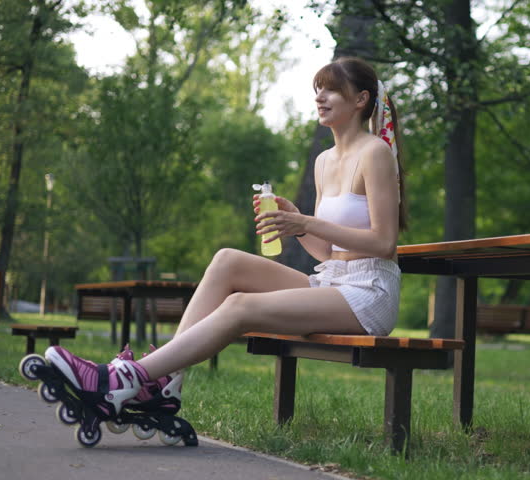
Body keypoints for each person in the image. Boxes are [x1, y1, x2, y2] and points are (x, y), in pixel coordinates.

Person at [42, 57, 407, 429]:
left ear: (361, 99)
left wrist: (306, 221)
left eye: (330, 89)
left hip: (369, 292)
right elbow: (326, 253)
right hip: (332, 281)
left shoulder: (374, 153)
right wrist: (297, 225)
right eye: (318, 89)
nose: (320, 97)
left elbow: (383, 242)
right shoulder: (324, 161)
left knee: (239, 307)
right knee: (227, 260)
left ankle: (121, 380)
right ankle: (163, 383)